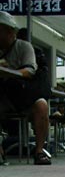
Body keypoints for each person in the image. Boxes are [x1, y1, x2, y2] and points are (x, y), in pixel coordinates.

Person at [0, 12, 51, 164]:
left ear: (9, 32)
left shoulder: (23, 47)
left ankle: (39, 151)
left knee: (42, 105)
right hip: (3, 97)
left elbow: (30, 71)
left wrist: (8, 72)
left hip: (23, 95)